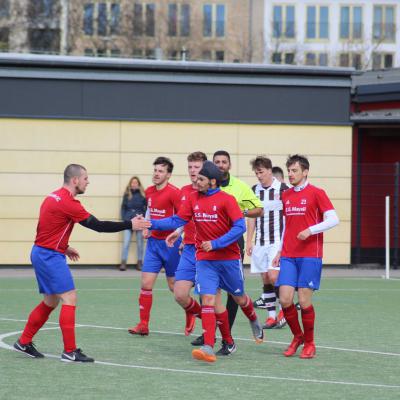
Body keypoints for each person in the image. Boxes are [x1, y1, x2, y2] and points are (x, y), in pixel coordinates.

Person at [13, 164, 145, 363]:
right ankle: (70, 351)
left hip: (43, 252)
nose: (87, 182)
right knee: (69, 298)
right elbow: (99, 226)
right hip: (49, 256)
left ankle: (24, 342)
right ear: (75, 180)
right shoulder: (68, 203)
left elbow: (47, 227)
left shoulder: (52, 196)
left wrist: (64, 247)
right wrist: (130, 224)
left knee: (51, 301)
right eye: (85, 179)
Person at [134, 161, 264, 363]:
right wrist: (150, 223)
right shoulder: (193, 198)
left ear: (212, 181)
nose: (196, 181)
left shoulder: (227, 200)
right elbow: (177, 220)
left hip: (228, 258)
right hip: (204, 259)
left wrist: (216, 243)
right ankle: (209, 347)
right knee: (209, 300)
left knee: (239, 298)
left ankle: (253, 318)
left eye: (201, 179)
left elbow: (240, 227)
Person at [272, 154, 339, 359]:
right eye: (289, 171)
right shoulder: (287, 195)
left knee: (304, 300)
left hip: (310, 255)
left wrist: (310, 230)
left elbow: (333, 219)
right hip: (289, 254)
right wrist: (280, 250)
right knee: (284, 299)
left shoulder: (317, 193)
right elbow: (287, 226)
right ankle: (297, 336)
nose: (290, 174)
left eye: (294, 171)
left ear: (305, 172)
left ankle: (310, 343)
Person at [128, 157, 181, 336]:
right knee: (146, 283)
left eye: (161, 171)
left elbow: (183, 217)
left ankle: (192, 312)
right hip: (153, 244)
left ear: (168, 175)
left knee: (174, 287)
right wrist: (146, 226)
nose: (156, 174)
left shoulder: (175, 193)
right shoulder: (149, 191)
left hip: (171, 243)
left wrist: (178, 234)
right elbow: (150, 209)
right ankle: (143, 324)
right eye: (155, 170)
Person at [165, 152, 207, 338]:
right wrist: (178, 233)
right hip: (189, 247)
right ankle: (195, 315)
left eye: (196, 167)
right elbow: (184, 218)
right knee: (180, 293)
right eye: (190, 167)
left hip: (208, 250)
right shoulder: (184, 191)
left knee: (209, 296)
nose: (192, 170)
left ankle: (214, 334)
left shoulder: (212, 192)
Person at [246, 156, 288, 329]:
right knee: (265, 278)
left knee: (273, 275)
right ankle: (271, 316)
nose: (259, 176)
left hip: (277, 240)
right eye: (256, 173)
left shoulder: (283, 189)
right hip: (260, 241)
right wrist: (249, 240)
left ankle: (284, 310)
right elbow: (251, 217)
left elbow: (289, 215)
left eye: (261, 172)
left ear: (270, 171)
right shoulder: (254, 190)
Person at [120, 176, 147, 271]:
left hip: (139, 221)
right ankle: (123, 262)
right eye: (132, 182)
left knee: (140, 244)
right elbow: (123, 208)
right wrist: (124, 219)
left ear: (139, 184)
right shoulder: (127, 194)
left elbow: (146, 208)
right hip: (128, 221)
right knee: (126, 243)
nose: (134, 184)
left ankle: (139, 262)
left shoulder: (143, 195)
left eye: (136, 183)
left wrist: (143, 217)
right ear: (130, 184)